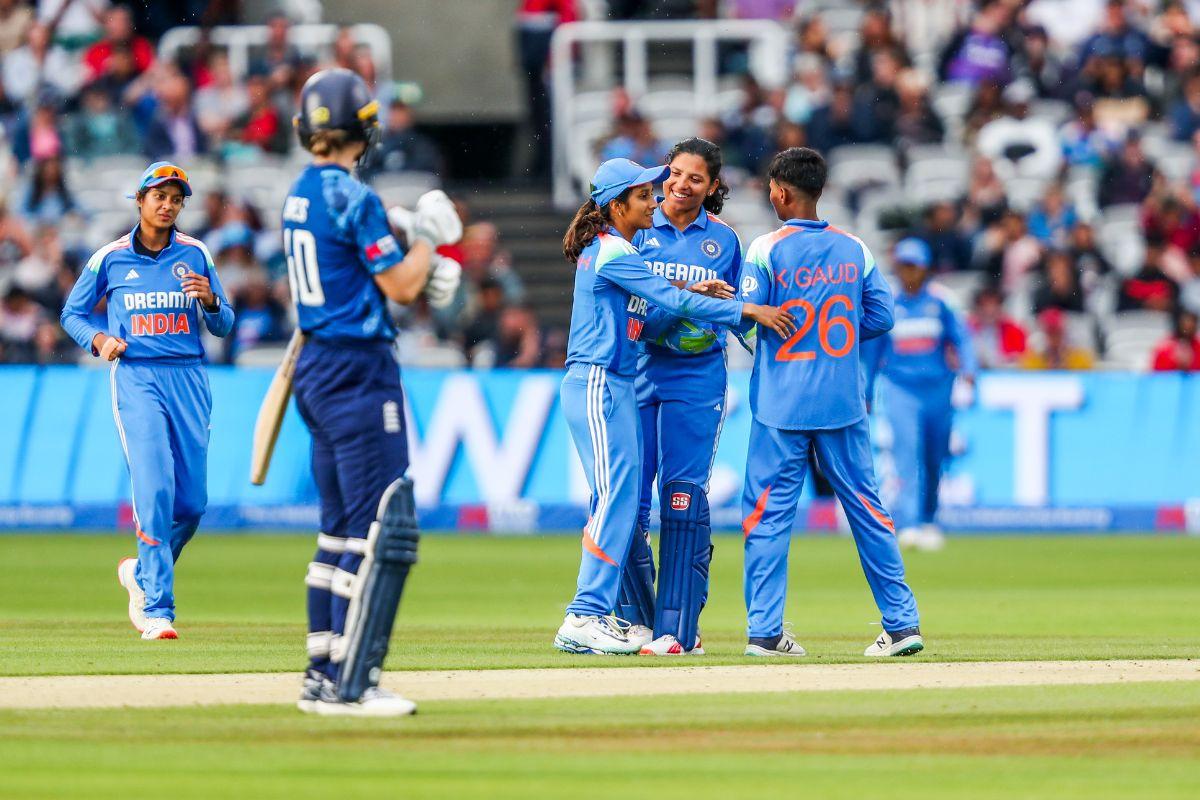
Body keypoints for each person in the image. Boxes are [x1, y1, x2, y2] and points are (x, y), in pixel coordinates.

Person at [555, 157, 794, 656]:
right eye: (643, 195)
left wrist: (690, 289)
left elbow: (656, 297)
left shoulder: (615, 248)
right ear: (617, 205)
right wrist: (745, 309)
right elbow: (671, 300)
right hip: (600, 379)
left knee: (620, 497)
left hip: (614, 381)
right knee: (616, 498)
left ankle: (596, 614)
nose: (656, 198)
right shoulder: (614, 250)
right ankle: (584, 614)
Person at [284, 69, 463, 717]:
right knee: (377, 525)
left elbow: (358, 266)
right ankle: (350, 683)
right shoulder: (351, 197)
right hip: (358, 369)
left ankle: (321, 671)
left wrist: (411, 246)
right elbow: (402, 287)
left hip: (318, 369)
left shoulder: (300, 192)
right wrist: (431, 241)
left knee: (336, 532)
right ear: (364, 127)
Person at [737, 147, 922, 659]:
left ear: (781, 191)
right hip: (842, 402)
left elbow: (742, 318)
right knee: (868, 511)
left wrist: (742, 309)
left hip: (782, 405)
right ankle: (903, 625)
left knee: (768, 517)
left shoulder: (765, 249)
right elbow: (882, 317)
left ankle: (766, 633)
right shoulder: (855, 249)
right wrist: (830, 339)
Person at [59, 162, 235, 641]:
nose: (167, 204)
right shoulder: (110, 258)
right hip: (137, 379)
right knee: (154, 489)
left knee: (192, 504)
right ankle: (158, 609)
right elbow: (72, 314)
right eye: (159, 195)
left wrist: (213, 304)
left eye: (176, 198)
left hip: (189, 379)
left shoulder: (197, 255)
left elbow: (224, 325)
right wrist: (98, 341)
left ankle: (139, 574)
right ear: (140, 200)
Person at [616, 138, 744, 656]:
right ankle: (636, 621)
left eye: (695, 178)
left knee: (684, 497)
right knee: (625, 500)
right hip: (638, 373)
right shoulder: (639, 231)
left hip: (698, 377)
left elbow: (739, 314)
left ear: (712, 186)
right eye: (674, 173)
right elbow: (632, 317)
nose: (679, 185)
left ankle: (679, 630)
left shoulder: (726, 242)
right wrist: (690, 302)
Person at [862, 238, 977, 553]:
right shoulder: (888, 302)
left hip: (939, 388)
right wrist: (867, 390)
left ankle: (928, 519)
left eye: (915, 266)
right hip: (900, 389)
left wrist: (969, 368)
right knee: (906, 452)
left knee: (934, 455)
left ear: (925, 269)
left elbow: (961, 337)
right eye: (904, 266)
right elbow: (872, 352)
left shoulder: (941, 301)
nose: (909, 273)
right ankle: (910, 523)